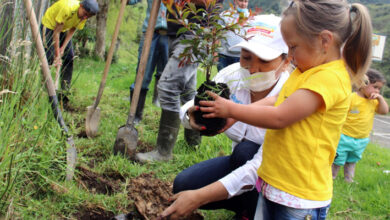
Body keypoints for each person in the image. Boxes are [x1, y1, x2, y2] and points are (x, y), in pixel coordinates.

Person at [160, 0, 373, 219]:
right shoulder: (305, 73)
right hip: (274, 183)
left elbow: (280, 116)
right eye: (245, 57)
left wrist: (232, 110)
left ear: (324, 41)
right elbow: (279, 101)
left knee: (246, 152)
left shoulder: (329, 78)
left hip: (299, 197)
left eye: (293, 47)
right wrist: (212, 115)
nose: (290, 55)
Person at [173, 14, 290, 220]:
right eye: (246, 57)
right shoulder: (233, 75)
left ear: (286, 61)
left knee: (246, 151)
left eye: (264, 61)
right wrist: (191, 116)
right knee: (183, 184)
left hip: (275, 178)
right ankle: (243, 206)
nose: (253, 69)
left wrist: (198, 197)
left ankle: (254, 212)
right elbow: (190, 106)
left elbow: (258, 166)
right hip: (239, 163)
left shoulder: (291, 95)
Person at [135, 0, 225, 162]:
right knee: (187, 91)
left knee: (168, 87)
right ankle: (193, 142)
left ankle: (163, 152)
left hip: (194, 34)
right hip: (177, 32)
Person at [332, 69, 389, 183]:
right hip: (344, 137)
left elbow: (384, 111)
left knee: (352, 160)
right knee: (338, 160)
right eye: (375, 87)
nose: (377, 91)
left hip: (362, 139)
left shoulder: (374, 101)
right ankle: (331, 178)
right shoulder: (352, 98)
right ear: (363, 84)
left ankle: (349, 180)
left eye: (379, 89)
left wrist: (381, 98)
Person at [41, 0, 99, 99]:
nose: (85, 17)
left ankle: (64, 91)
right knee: (49, 58)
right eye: (85, 14)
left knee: (69, 57)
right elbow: (56, 32)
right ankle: (44, 91)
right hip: (49, 26)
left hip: (62, 29)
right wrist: (57, 54)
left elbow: (72, 29)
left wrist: (63, 48)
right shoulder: (68, 8)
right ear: (81, 6)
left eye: (88, 16)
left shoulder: (84, 16)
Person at [127, 0, 169, 123]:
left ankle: (158, 100)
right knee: (143, 73)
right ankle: (134, 115)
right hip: (150, 32)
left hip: (170, 34)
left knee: (165, 72)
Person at [217, 0, 250, 71]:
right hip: (224, 55)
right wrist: (215, 52)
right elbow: (217, 34)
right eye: (241, 1)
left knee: (239, 81)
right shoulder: (224, 15)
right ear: (235, 1)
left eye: (246, 1)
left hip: (241, 56)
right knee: (222, 80)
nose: (243, 4)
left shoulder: (250, 18)